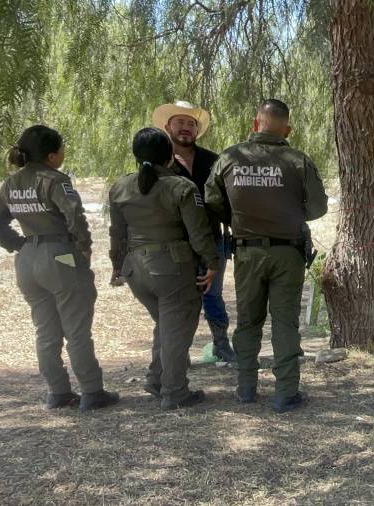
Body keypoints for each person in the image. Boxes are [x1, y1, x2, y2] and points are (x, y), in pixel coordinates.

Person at [205, 99, 328, 412]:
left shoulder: (229, 158)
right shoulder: (298, 160)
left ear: (255, 123)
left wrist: (242, 214)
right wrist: (286, 209)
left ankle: (246, 388)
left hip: (247, 253)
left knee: (248, 321)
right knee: (285, 323)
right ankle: (286, 392)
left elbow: (212, 201)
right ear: (287, 129)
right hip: (288, 253)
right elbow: (318, 208)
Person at [0, 125, 119, 412]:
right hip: (60, 256)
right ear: (51, 155)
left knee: (46, 331)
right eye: (62, 149)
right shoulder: (55, 180)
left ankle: (58, 392)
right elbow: (74, 215)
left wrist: (17, 244)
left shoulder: (12, 183)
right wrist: (84, 247)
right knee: (76, 330)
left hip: (27, 259)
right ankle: (92, 391)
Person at [109, 127, 218, 410]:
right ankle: (175, 392)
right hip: (171, 267)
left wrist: (116, 267)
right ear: (170, 156)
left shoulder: (119, 187)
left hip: (136, 269)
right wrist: (212, 262)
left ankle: (156, 379)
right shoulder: (181, 188)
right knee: (178, 328)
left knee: (167, 325)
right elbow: (199, 233)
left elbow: (117, 234)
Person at [152, 101, 236, 363]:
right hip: (176, 243)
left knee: (213, 295)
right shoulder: (157, 164)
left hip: (213, 239)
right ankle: (178, 352)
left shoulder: (214, 160)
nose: (186, 129)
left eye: (191, 124)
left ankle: (221, 344)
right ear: (168, 127)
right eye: (180, 123)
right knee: (178, 298)